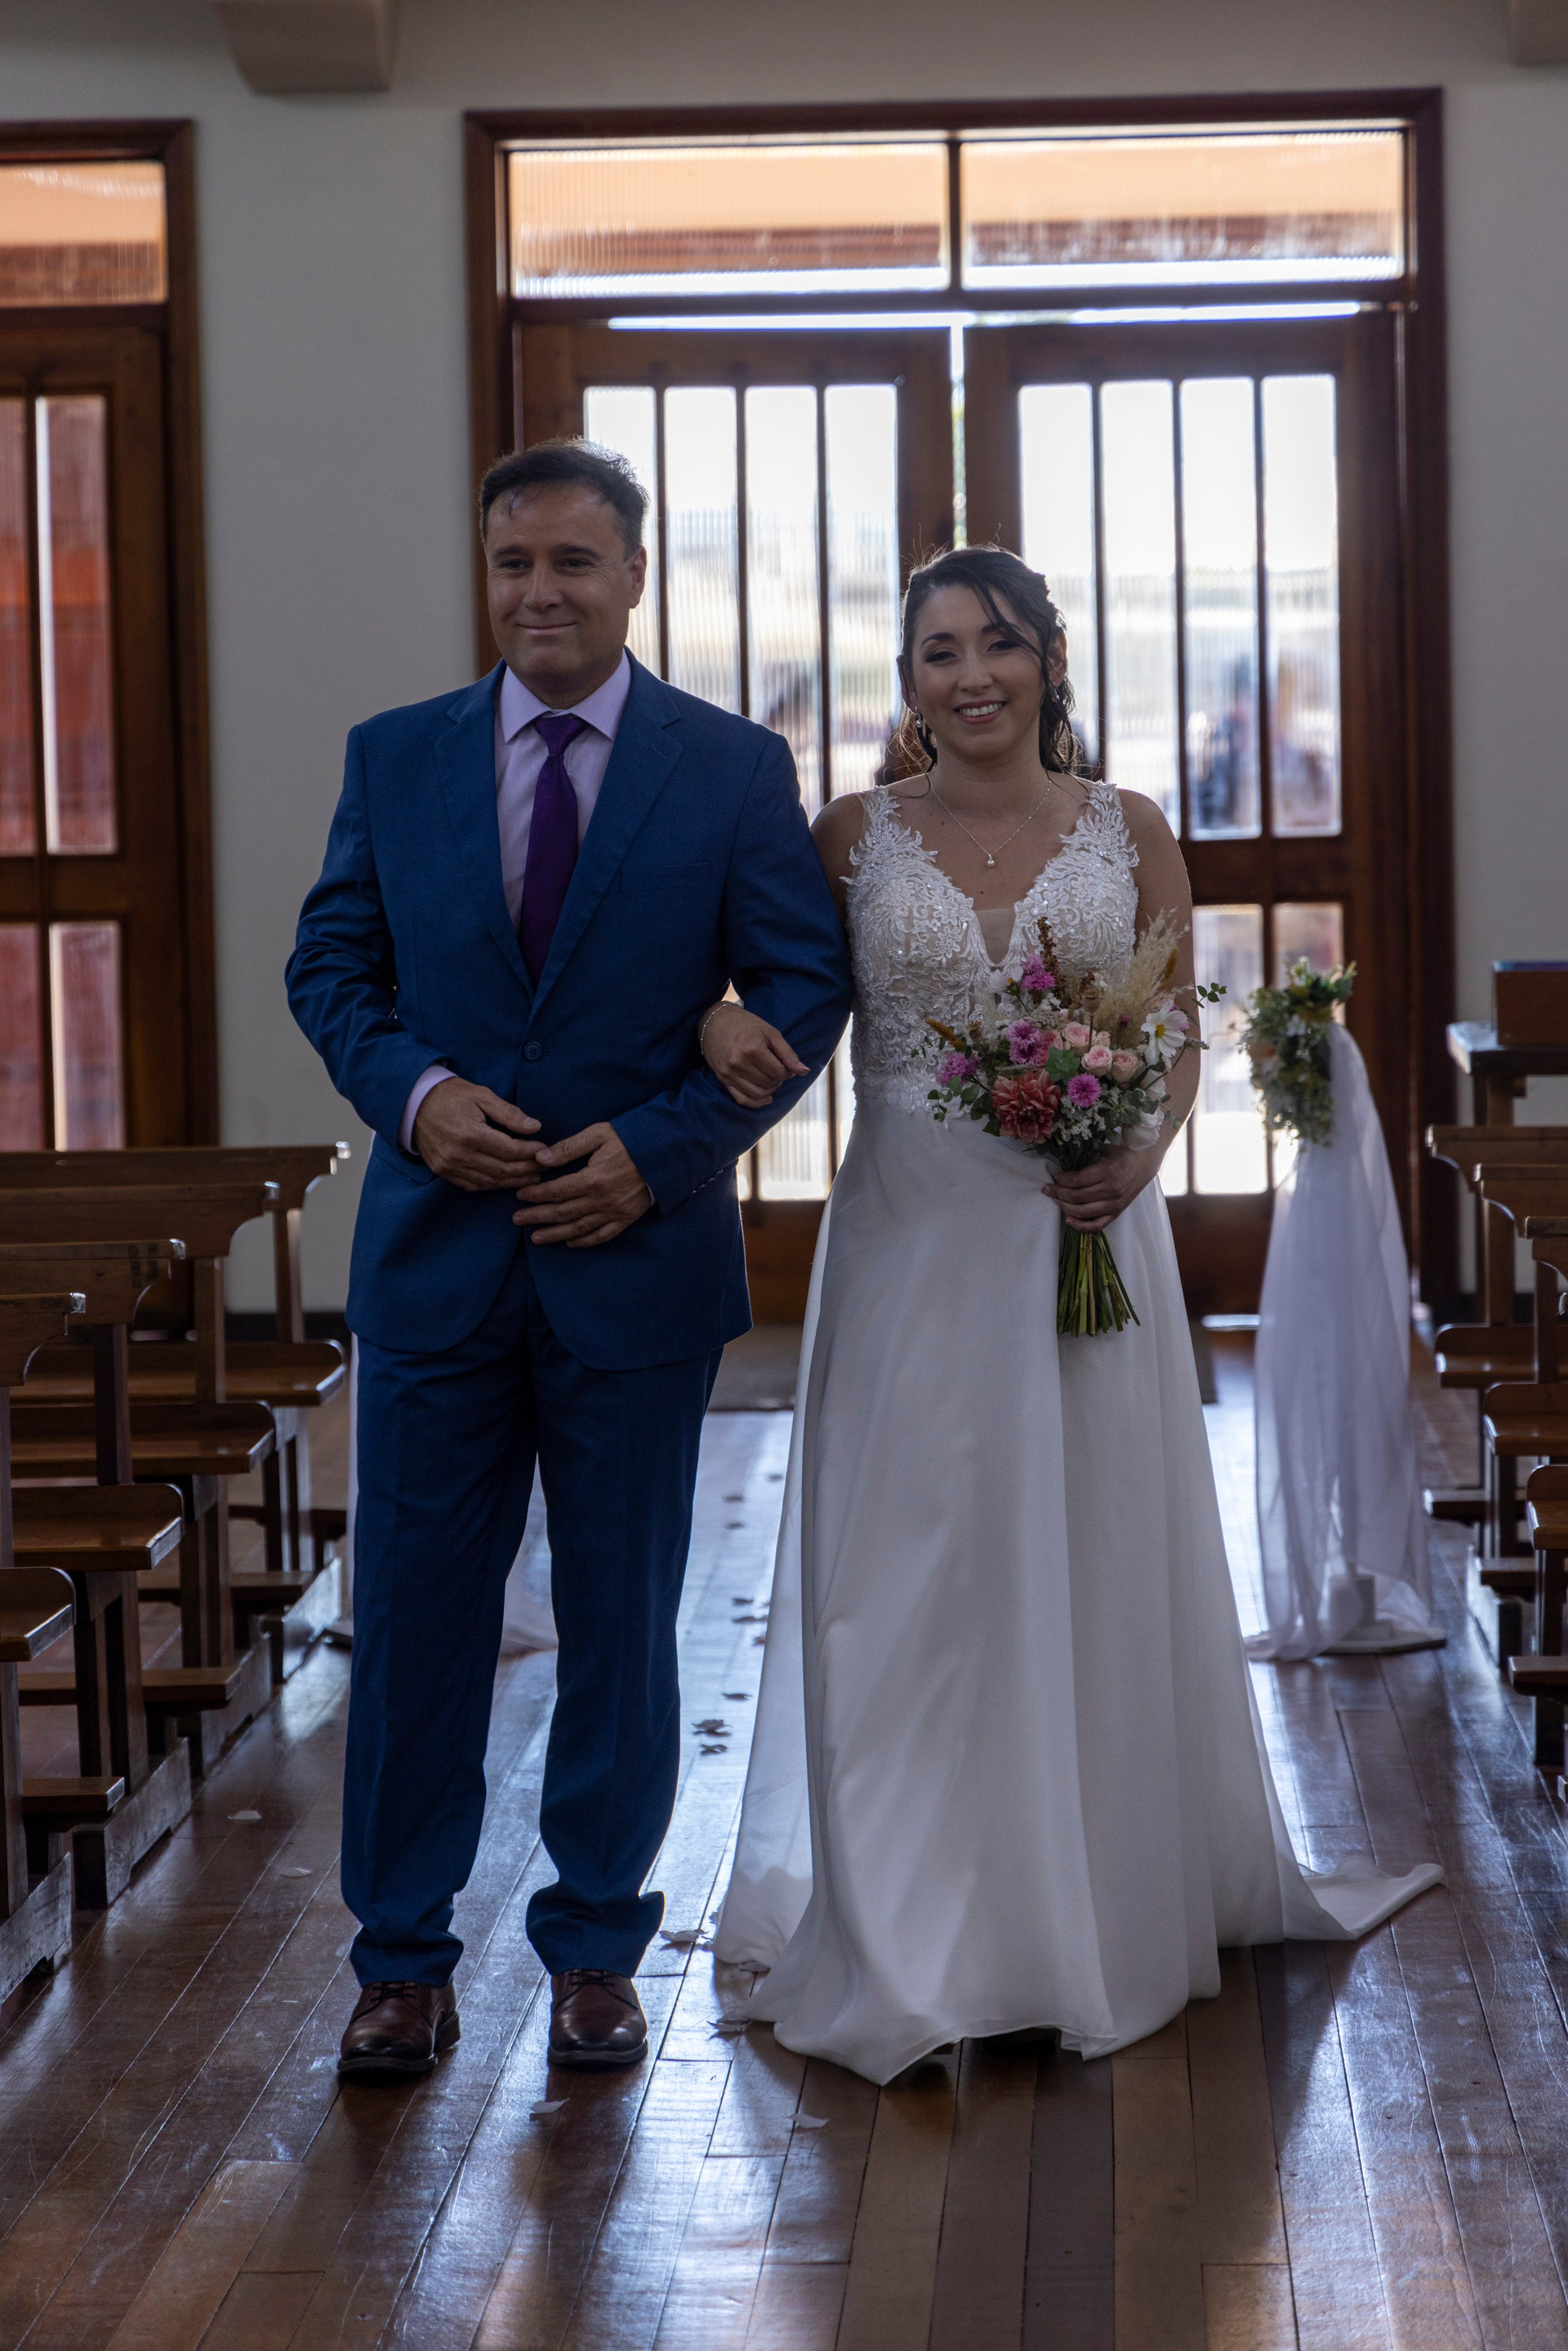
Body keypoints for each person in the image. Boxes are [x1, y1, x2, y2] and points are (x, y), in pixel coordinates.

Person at [703, 545, 1440, 2084]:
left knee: (1092, 1549)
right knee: (905, 1567)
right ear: (909, 686)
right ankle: (914, 1929)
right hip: (912, 1240)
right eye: (938, 653)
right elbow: (759, 984)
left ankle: (1089, 1901)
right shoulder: (849, 836)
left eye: (998, 645)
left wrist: (1141, 1148)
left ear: (1048, 659)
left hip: (1086, 1228)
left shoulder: (1130, 827)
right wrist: (713, 1018)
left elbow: (1171, 1029)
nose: (970, 676)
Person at [286, 440, 852, 2081]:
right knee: (414, 1628)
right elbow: (334, 969)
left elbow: (802, 985)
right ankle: (401, 1963)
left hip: (637, 1264)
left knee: (622, 1623)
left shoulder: (731, 768)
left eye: (573, 561)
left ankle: (598, 1944)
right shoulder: (394, 756)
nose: (540, 591)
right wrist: (419, 1097)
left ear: (635, 576)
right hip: (435, 1263)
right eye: (513, 563)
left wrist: (661, 1152)